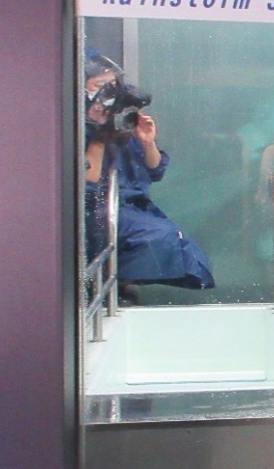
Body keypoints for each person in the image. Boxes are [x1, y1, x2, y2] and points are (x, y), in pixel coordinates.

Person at [83, 50, 214, 297]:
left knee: (178, 242)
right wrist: (99, 137)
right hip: (96, 211)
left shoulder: (120, 122)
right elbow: (87, 182)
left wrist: (147, 142)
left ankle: (120, 287)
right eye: (100, 86)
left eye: (112, 86)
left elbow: (155, 170)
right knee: (157, 236)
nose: (108, 94)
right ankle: (112, 287)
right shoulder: (74, 127)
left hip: (133, 208)